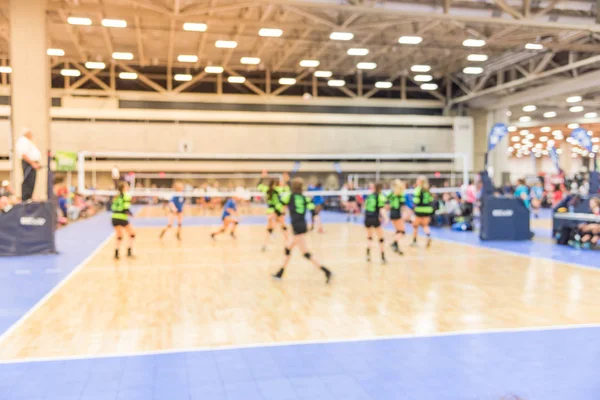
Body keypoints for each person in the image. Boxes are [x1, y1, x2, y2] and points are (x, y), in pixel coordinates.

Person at [272, 177, 332, 283]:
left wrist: (279, 216)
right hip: (302, 225)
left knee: (291, 249)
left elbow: (278, 206)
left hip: (297, 227)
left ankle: (326, 271)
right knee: (301, 251)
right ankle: (280, 273)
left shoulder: (289, 196)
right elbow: (314, 210)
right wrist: (315, 218)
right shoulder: (304, 198)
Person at [257, 170, 289, 251]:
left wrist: (262, 177)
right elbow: (287, 189)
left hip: (270, 211)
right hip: (277, 209)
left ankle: (265, 244)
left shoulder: (266, 189)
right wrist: (286, 180)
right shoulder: (278, 189)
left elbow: (258, 186)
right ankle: (287, 243)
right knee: (283, 226)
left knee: (270, 228)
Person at [364, 182, 388, 263]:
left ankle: (368, 255)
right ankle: (383, 257)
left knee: (369, 237)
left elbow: (365, 206)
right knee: (380, 238)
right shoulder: (380, 196)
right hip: (375, 218)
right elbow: (382, 209)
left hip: (367, 217)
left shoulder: (369, 196)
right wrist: (386, 218)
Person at [16, 128, 41, 202]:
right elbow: (24, 154)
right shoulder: (23, 140)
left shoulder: (28, 142)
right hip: (29, 164)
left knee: (31, 181)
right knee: (28, 181)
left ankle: (28, 197)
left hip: (32, 164)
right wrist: (32, 163)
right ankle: (26, 198)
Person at [111, 182, 135, 260]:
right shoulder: (126, 196)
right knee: (132, 234)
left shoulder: (116, 196)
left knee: (119, 236)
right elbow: (126, 209)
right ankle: (129, 252)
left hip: (114, 217)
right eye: (127, 186)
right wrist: (132, 214)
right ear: (124, 188)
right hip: (122, 218)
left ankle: (116, 253)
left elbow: (112, 207)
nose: (128, 187)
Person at [411, 176, 434, 248]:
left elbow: (416, 201)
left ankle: (414, 241)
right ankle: (428, 236)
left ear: (420, 181)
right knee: (425, 225)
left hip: (419, 209)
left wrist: (413, 208)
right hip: (428, 209)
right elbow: (431, 199)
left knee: (415, 226)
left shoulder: (418, 189)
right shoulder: (428, 190)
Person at [387, 179, 406, 255]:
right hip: (397, 213)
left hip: (392, 213)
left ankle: (396, 245)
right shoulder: (400, 194)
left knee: (398, 231)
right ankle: (394, 243)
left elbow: (387, 204)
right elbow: (403, 206)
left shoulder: (391, 194)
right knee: (402, 231)